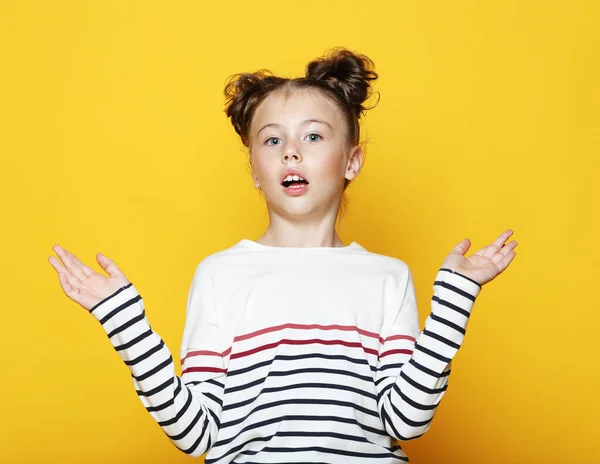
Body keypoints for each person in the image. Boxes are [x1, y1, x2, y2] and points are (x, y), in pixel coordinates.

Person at [48, 47, 518, 463]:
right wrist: (122, 319)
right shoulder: (219, 276)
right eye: (272, 140)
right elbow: (197, 434)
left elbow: (405, 422)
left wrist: (457, 297)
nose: (291, 153)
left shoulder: (386, 278)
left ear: (352, 160)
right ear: (254, 167)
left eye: (313, 137)